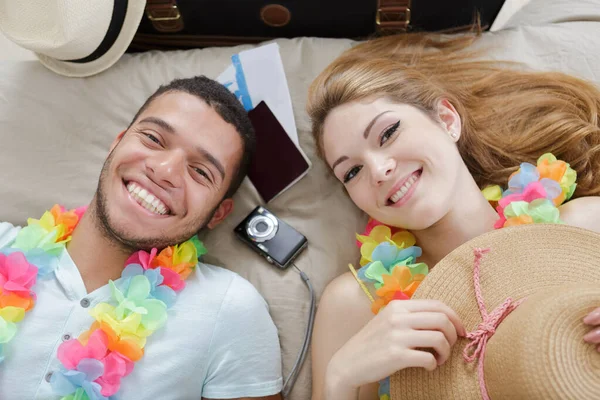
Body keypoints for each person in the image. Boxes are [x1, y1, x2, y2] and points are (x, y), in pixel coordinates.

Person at [306, 29, 600, 400]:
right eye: (351, 172)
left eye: (388, 133)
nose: (378, 170)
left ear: (447, 120)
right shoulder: (354, 304)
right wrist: (342, 378)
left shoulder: (587, 228)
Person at [0, 76, 283, 399]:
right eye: (153, 138)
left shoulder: (230, 308)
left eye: (201, 171)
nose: (165, 170)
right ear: (117, 142)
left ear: (218, 213)